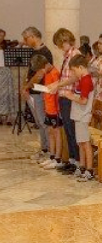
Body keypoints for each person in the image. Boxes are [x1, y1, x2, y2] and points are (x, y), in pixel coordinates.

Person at [47, 28, 81, 174]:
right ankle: (72, 160)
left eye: (60, 44)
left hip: (70, 96)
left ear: (65, 40)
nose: (60, 47)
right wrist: (56, 86)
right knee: (67, 129)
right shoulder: (67, 55)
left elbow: (75, 78)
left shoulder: (75, 54)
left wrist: (58, 85)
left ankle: (78, 162)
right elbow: (65, 77)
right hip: (64, 96)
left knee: (72, 130)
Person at [60, 55, 95, 182]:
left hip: (83, 115)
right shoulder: (82, 79)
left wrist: (70, 96)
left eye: (74, 70)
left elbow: (84, 101)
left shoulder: (86, 80)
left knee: (85, 143)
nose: (73, 73)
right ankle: (82, 166)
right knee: (80, 143)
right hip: (78, 115)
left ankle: (89, 170)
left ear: (81, 67)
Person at [22, 27, 54, 161]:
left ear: (33, 36)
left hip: (40, 91)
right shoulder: (34, 52)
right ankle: (44, 149)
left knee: (43, 122)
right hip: (33, 90)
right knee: (39, 122)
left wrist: (27, 86)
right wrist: (26, 86)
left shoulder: (45, 52)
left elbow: (40, 74)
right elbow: (31, 72)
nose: (25, 41)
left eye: (26, 38)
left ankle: (49, 152)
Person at [30, 54, 63, 170]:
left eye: (41, 70)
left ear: (45, 65)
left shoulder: (55, 73)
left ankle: (58, 158)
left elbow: (57, 91)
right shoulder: (47, 73)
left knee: (56, 133)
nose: (41, 73)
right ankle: (52, 156)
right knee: (50, 132)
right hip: (48, 108)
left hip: (55, 109)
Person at [0, 29, 16, 125]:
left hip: (5, 71)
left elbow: (16, 43)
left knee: (7, 94)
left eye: (3, 36)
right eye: (0, 35)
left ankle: (8, 117)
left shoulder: (6, 45)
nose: (1, 38)